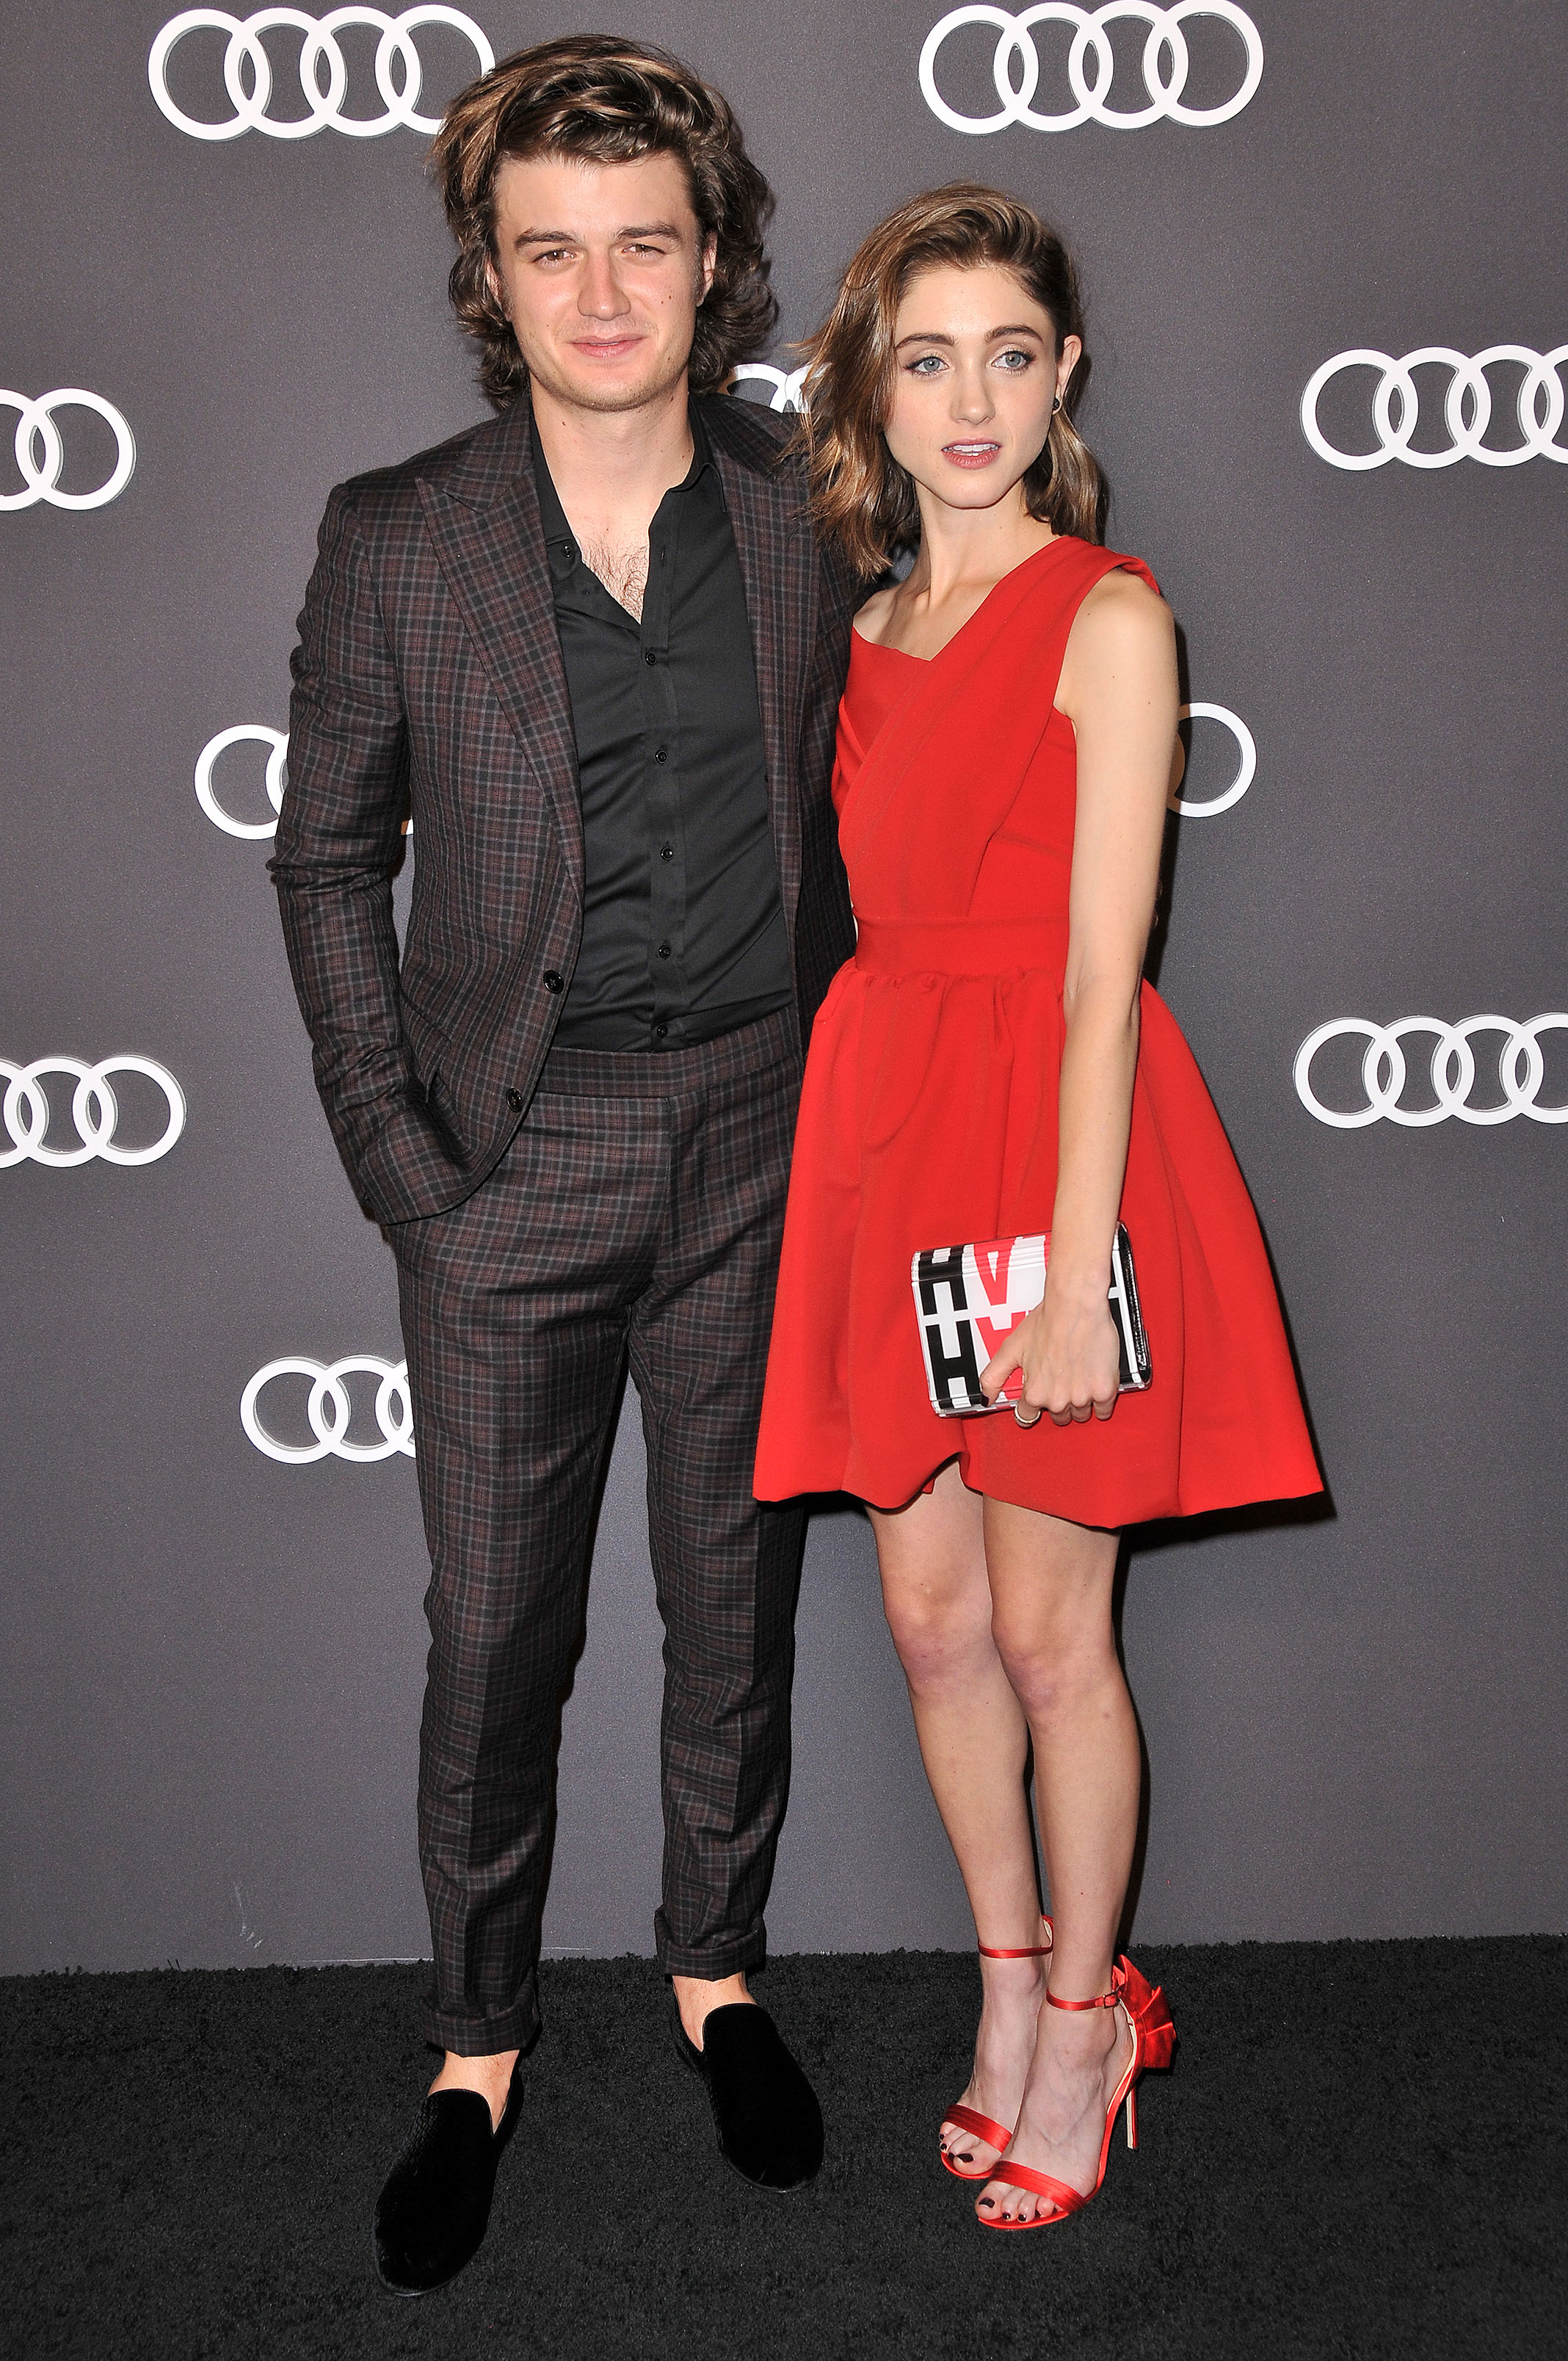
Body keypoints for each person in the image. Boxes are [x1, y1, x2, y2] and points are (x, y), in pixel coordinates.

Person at [270, 36, 857, 2294]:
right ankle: (477, 2042)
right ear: (491, 278)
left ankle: (716, 1975)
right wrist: (402, 1164)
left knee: (733, 1608)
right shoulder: (396, 533)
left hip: (761, 1141)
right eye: (550, 251)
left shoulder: (812, 512)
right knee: (500, 1635)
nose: (600, 295)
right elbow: (327, 865)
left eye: (642, 245)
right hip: (508, 1160)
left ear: (712, 266)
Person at [755, 186, 1322, 2230]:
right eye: (928, 361)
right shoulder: (865, 629)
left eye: (1011, 354)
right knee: (929, 1626)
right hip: (892, 1131)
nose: (972, 400)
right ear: (872, 393)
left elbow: (1105, 975)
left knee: (1047, 1632)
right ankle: (1008, 1991)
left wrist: (1079, 1278)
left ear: (1065, 373)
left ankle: (1091, 2023)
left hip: (1052, 1151)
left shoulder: (1110, 617)